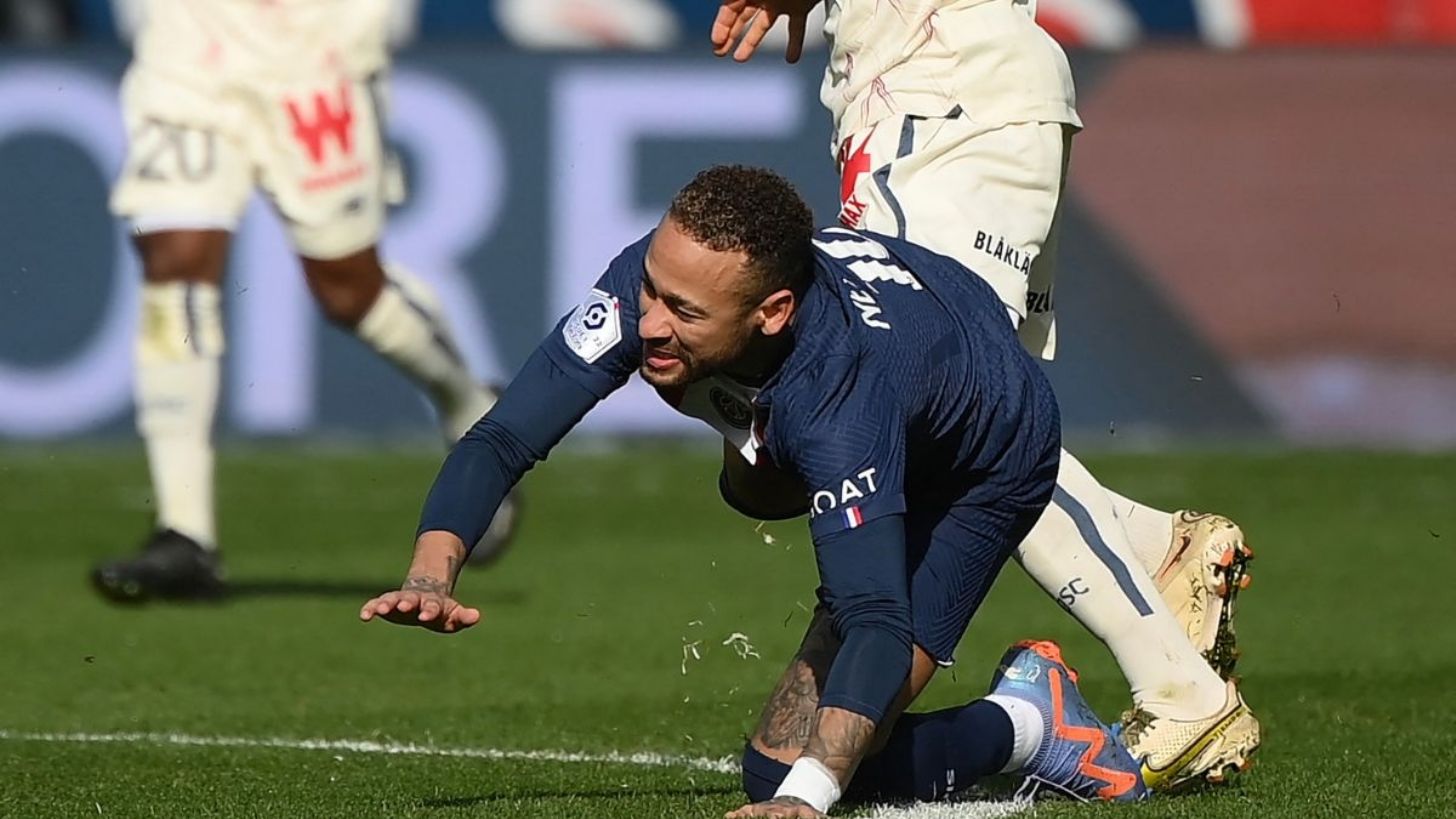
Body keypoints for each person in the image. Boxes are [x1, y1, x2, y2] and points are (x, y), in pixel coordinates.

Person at [361, 165, 1149, 816]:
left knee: (787, 775)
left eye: (683, 311)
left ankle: (1028, 721)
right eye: (652, 291)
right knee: (759, 486)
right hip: (885, 364)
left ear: (773, 312)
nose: (649, 323)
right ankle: (759, 435)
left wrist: (806, 797)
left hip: (982, 460)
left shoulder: (839, 404)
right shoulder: (659, 281)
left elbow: (876, 618)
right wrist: (431, 573)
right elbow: (502, 435)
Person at [708, 0, 1259, 790]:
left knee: (962, 421)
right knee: (973, 410)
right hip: (971, 91)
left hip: (938, 99)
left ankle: (1182, 692)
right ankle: (1158, 549)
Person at [90, 0, 514, 602]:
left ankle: (468, 405)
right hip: (189, 40)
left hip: (315, 43)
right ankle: (185, 535)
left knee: (347, 290)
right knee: (174, 261)